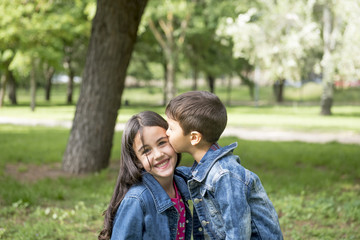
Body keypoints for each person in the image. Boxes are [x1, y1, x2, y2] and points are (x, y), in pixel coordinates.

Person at [165, 91, 283, 240]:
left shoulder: (224, 175)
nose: (167, 133)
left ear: (194, 137)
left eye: (171, 128)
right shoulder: (205, 169)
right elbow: (182, 177)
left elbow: (238, 234)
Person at [98, 111, 196, 240]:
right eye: (146, 151)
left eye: (162, 143)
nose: (158, 154)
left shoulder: (181, 182)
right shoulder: (137, 200)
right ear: (137, 161)